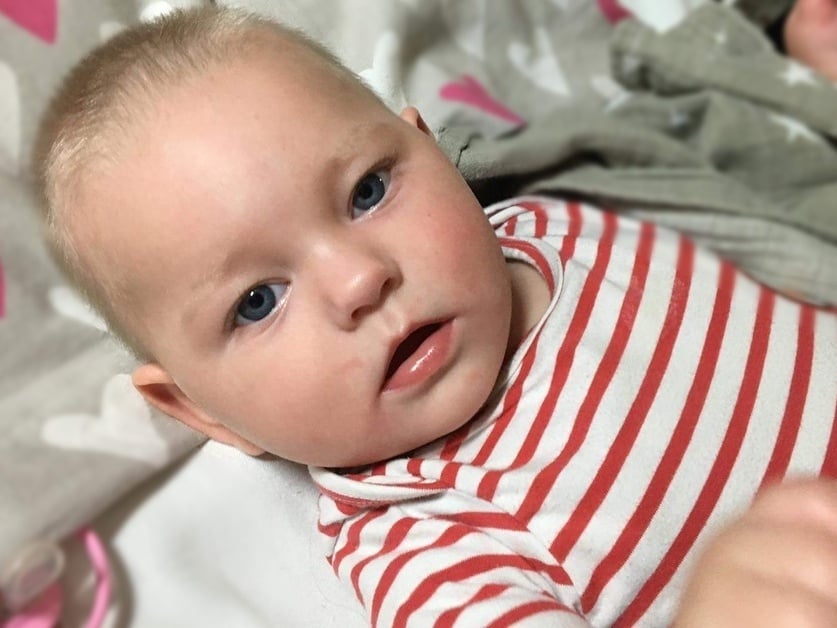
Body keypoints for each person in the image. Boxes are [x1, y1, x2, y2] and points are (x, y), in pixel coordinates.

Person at [35, 5, 837, 627]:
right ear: (200, 410)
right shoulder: (427, 542)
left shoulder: (547, 218)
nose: (360, 279)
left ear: (431, 150)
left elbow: (726, 182)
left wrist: (796, 94)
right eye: (257, 302)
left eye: (368, 192)